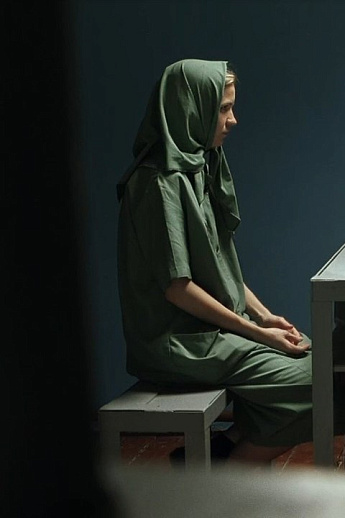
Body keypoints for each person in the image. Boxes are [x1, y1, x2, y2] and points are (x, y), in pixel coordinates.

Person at [116, 59, 315, 467]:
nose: (233, 120)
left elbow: (220, 265)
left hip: (210, 332)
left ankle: (224, 450)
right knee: (314, 381)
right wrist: (258, 334)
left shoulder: (199, 166)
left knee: (316, 359)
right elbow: (179, 289)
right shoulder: (158, 183)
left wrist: (265, 317)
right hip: (175, 341)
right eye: (223, 109)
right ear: (191, 109)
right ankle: (225, 478)